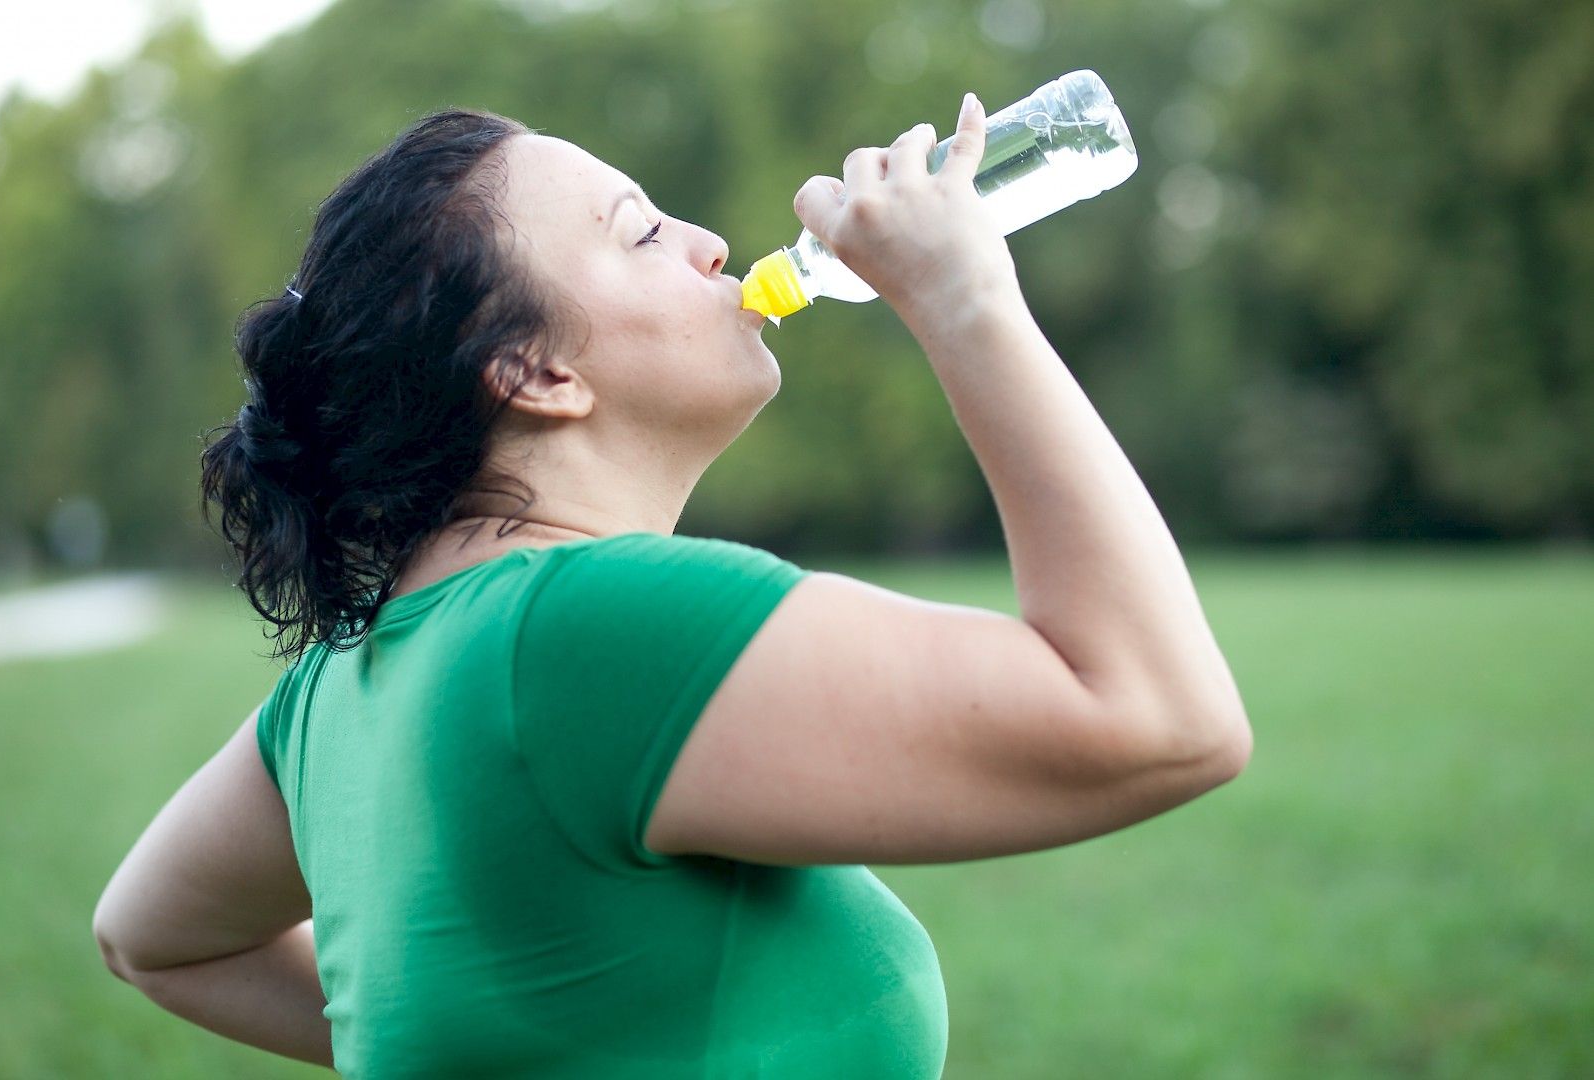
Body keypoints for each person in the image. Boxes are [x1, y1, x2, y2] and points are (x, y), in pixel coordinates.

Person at [92, 94, 1252, 1078]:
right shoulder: (591, 624)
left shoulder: (336, 691)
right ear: (535, 372)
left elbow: (151, 938)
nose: (707, 243)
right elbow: (1158, 718)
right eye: (640, 231)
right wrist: (965, 301)